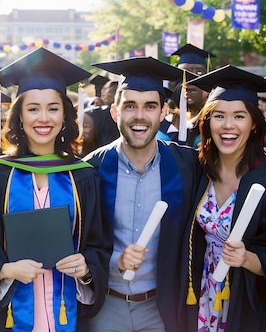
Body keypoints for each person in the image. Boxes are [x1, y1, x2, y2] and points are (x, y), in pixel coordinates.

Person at [0, 47, 113, 331]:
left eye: (53, 108)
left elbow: (99, 244)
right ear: (19, 115)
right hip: (12, 315)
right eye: (33, 109)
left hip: (67, 313)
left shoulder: (83, 177)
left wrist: (86, 268)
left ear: (65, 115)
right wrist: (5, 270)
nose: (43, 118)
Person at [81, 56, 202, 332]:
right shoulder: (90, 170)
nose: (139, 116)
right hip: (106, 306)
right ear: (115, 113)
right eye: (130, 106)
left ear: (163, 113)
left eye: (150, 106)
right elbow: (79, 241)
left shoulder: (189, 166)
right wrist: (116, 261)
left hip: (162, 307)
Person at [179, 65, 266, 331]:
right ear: (207, 121)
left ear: (254, 123)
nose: (228, 125)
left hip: (244, 301)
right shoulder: (198, 171)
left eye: (239, 116)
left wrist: (246, 258)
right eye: (219, 116)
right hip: (198, 292)